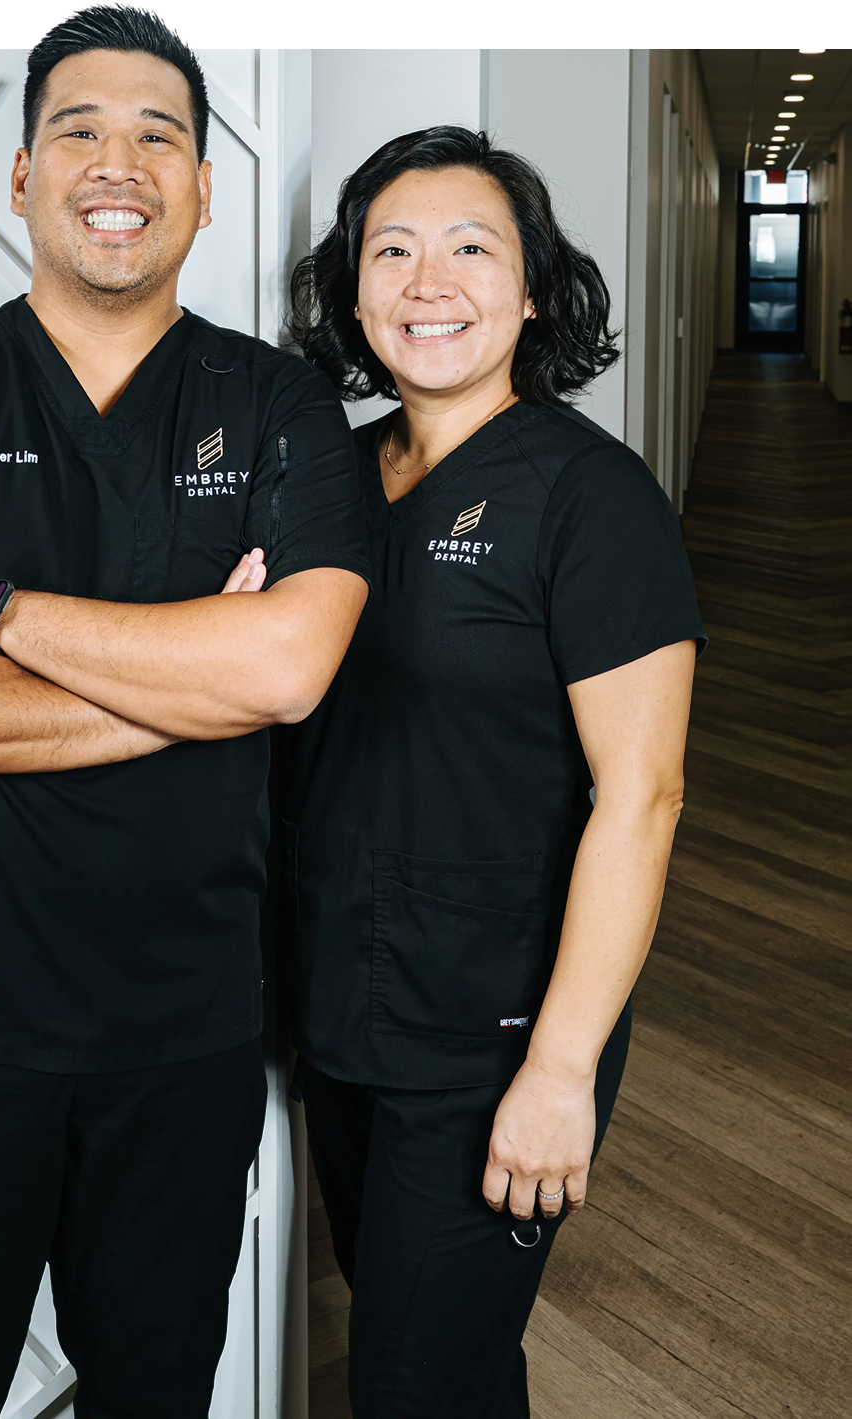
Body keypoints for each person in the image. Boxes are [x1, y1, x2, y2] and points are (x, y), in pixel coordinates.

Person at [0, 9, 368, 1418]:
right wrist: (188, 684)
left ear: (205, 186)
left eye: (160, 135)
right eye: (80, 133)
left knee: (154, 1393)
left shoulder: (281, 405)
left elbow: (285, 671)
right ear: (22, 177)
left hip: (184, 1030)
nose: (121, 164)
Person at [280, 126, 706, 1417]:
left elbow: (645, 797)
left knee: (414, 1384)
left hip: (496, 1032)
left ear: (534, 291)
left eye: (473, 249)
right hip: (341, 1009)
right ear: (353, 294)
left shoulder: (593, 499)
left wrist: (563, 1071)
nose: (429, 283)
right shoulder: (328, 479)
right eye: (392, 251)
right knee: (443, 1363)